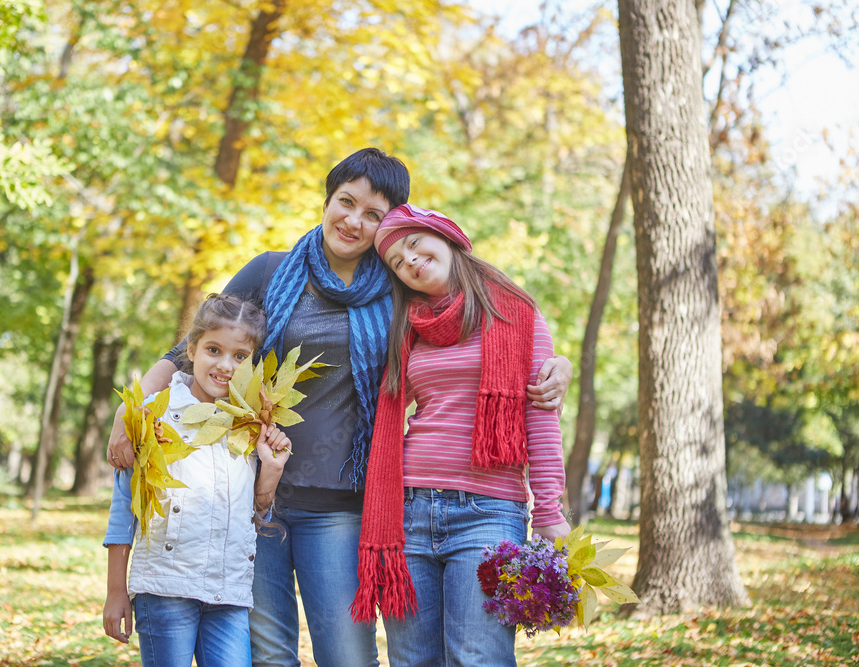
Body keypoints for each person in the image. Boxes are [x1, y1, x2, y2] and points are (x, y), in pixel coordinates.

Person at [107, 148, 573, 667]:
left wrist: (556, 363)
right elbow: (192, 349)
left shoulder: (398, 290)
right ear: (327, 200)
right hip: (254, 494)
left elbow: (469, 330)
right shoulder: (270, 272)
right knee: (268, 656)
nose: (353, 220)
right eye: (345, 202)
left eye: (372, 214)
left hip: (343, 506)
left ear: (388, 224)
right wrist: (132, 411)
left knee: (347, 658)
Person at [352, 204, 573, 667]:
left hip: (488, 513)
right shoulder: (406, 325)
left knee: (479, 658)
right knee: (413, 661)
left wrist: (550, 511)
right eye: (397, 262)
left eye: (413, 244)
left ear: (446, 236)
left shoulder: (516, 313)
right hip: (408, 512)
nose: (409, 260)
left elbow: (541, 419)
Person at [103, 294, 292, 667]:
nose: (225, 365)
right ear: (190, 348)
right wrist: (115, 591)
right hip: (165, 589)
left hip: (229, 594)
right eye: (213, 349)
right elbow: (124, 507)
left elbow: (254, 512)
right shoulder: (154, 413)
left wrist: (271, 471)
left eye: (240, 356)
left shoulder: (251, 425)